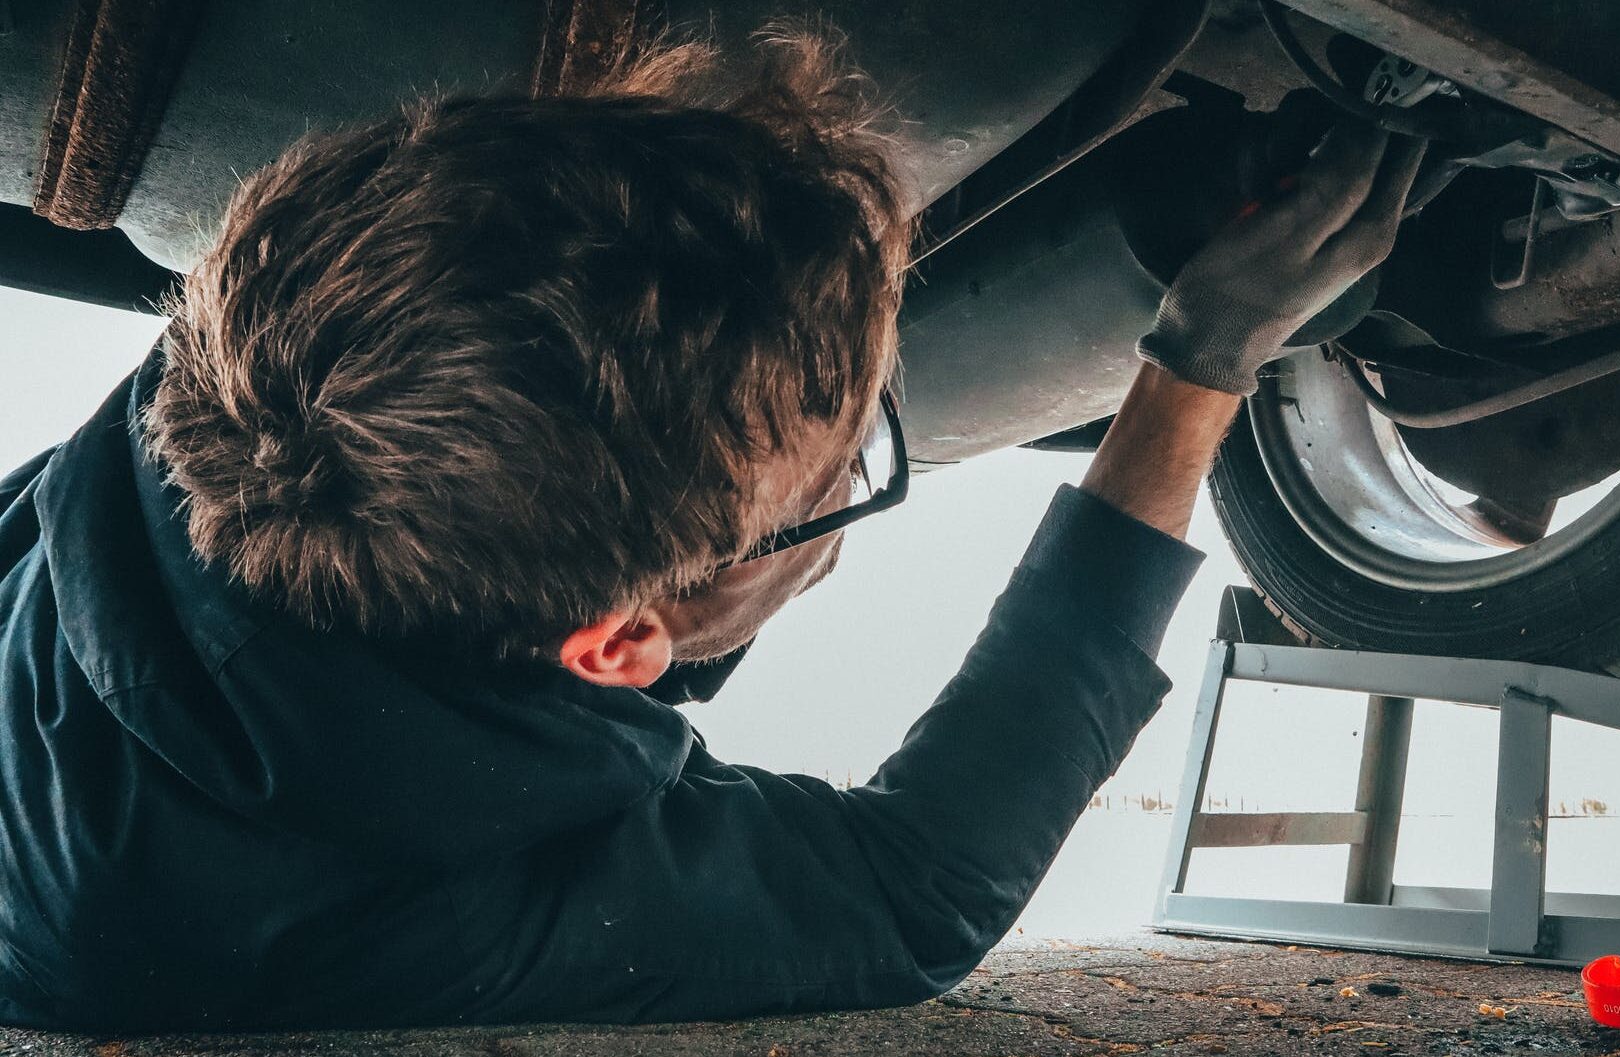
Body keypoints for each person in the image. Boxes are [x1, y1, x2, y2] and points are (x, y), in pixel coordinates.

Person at [0, 32, 1422, 1031]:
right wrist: (1196, 366)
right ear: (618, 642)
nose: (852, 475)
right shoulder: (381, 902)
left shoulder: (276, 356)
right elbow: (917, 888)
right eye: (843, 472)